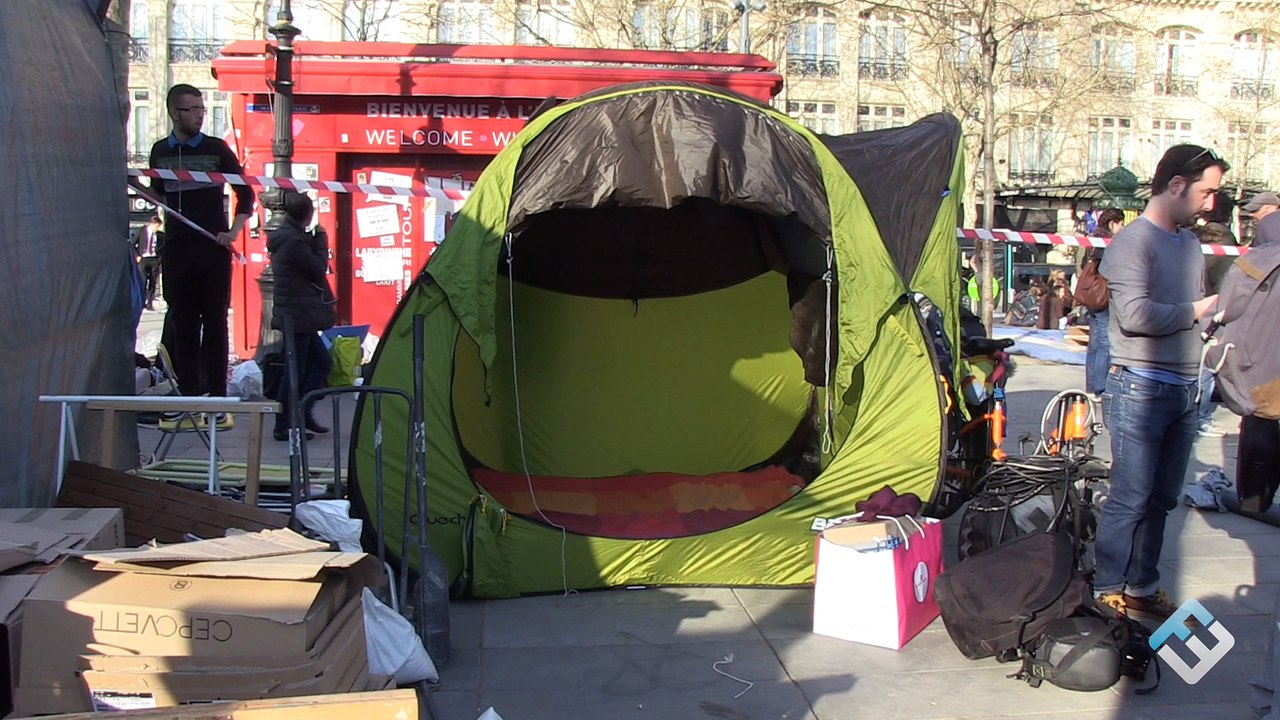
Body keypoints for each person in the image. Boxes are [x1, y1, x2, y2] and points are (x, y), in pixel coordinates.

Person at [1094, 143, 1226, 621]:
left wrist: (1211, 320)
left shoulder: (1188, 244)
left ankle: (1141, 587)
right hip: (1140, 387)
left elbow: (1190, 310)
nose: (1211, 203)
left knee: (1163, 498)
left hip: (1186, 387)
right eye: (1206, 192)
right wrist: (1197, 310)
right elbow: (1134, 316)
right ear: (1176, 185)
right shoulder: (1132, 243)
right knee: (1130, 496)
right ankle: (1107, 588)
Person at [148, 84, 253, 407]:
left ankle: (218, 395)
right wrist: (136, 185)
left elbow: (246, 193)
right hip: (177, 247)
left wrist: (233, 232)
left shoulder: (216, 149)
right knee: (183, 322)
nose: (199, 115)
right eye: (192, 109)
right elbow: (159, 195)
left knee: (215, 321)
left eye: (201, 109)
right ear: (174, 113)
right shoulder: (159, 151)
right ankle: (190, 394)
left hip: (212, 247)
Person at [268, 192, 336, 442]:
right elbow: (317, 269)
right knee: (295, 370)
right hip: (297, 315)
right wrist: (322, 241)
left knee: (321, 363)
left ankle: (303, 411)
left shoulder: (290, 237)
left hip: (299, 314)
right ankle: (284, 423)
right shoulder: (293, 242)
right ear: (307, 215)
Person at [1191, 190, 1240, 437]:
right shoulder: (1227, 243)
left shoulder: (1194, 237)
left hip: (1191, 304)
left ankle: (1194, 415)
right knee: (1208, 367)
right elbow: (1228, 282)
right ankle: (1200, 417)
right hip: (1214, 308)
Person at [1083, 209, 1125, 398]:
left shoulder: (1091, 239)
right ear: (1112, 223)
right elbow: (1110, 269)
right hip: (1102, 296)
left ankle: (1092, 385)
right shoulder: (1108, 242)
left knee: (1094, 343)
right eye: (1121, 223)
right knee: (1104, 343)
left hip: (1091, 295)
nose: (1122, 227)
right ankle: (1100, 387)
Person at [131, 215, 165, 311]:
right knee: (143, 281)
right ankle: (141, 302)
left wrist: (159, 259)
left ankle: (150, 303)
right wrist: (137, 256)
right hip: (143, 259)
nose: (157, 229)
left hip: (154, 260)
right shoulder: (142, 231)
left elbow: (163, 248)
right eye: (156, 226)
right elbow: (132, 244)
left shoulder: (160, 235)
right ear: (152, 224)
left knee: (153, 282)